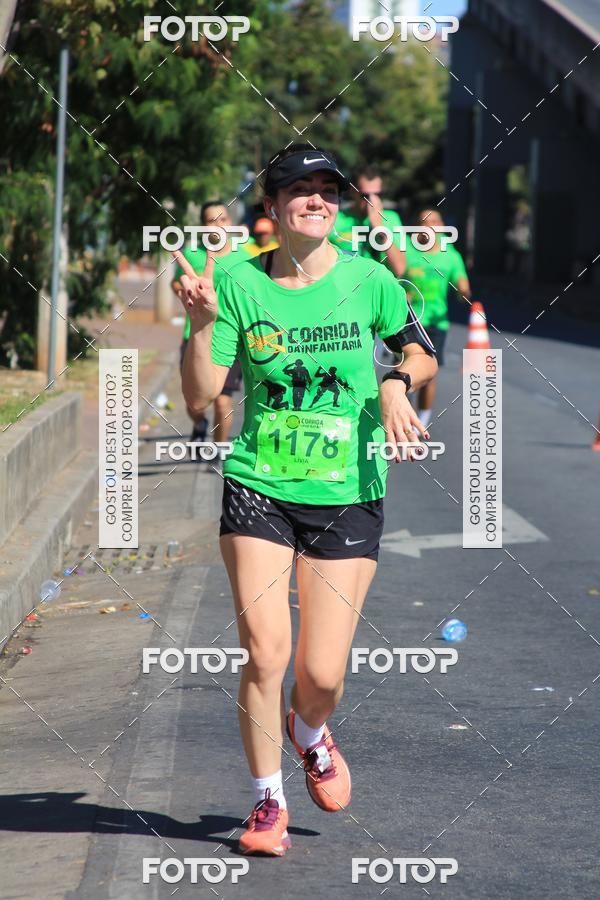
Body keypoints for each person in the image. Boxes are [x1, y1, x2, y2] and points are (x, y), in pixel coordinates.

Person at [177, 143, 437, 857]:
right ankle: (268, 802)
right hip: (259, 484)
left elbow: (421, 352)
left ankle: (310, 731)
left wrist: (394, 382)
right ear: (273, 206)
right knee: (266, 653)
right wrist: (202, 326)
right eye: (301, 188)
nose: (318, 198)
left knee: (320, 675)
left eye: (329, 188)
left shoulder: (371, 279)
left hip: (348, 491)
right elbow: (200, 395)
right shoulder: (238, 282)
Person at [172, 200, 251, 450]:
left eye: (223, 219)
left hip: (231, 337)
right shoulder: (192, 254)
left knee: (222, 401)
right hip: (195, 334)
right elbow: (177, 283)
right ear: (202, 226)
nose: (218, 225)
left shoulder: (246, 257)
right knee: (194, 402)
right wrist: (186, 292)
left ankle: (216, 451)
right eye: (210, 221)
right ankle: (199, 423)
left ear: (231, 223)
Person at [403, 207, 471, 429]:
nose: (430, 226)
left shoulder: (450, 255)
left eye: (434, 222)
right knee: (406, 372)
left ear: (442, 227)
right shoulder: (406, 251)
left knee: (429, 374)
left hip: (436, 323)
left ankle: (421, 421)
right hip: (409, 321)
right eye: (424, 222)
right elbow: (393, 279)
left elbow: (462, 286)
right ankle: (405, 417)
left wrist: (463, 291)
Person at [329, 164, 405, 278]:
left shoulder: (391, 218)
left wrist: (380, 228)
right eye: (365, 196)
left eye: (378, 194)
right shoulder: (336, 219)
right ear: (353, 191)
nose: (372, 201)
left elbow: (400, 269)